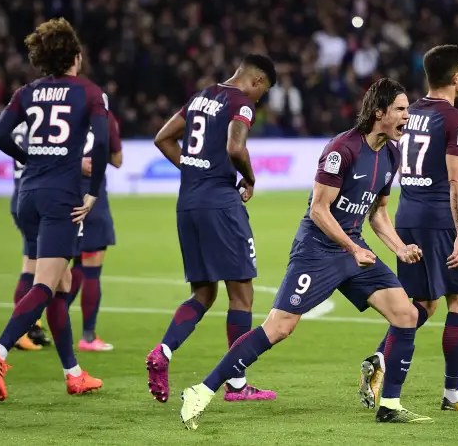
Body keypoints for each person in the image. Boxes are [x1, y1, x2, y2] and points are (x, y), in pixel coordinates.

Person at [179, 78, 435, 431]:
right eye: (402, 110)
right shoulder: (341, 150)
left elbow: (377, 212)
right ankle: (201, 390)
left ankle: (389, 404)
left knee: (406, 314)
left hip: (354, 249)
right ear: (380, 113)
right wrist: (352, 247)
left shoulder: (391, 154)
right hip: (317, 250)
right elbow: (319, 210)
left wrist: (399, 247)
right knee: (280, 327)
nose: (409, 116)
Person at [358, 45, 458, 412]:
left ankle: (379, 359)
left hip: (407, 215)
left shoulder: (409, 113)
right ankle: (454, 394)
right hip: (439, 221)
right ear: (456, 76)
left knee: (423, 304)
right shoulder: (456, 120)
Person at [0, 17, 108, 401]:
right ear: (76, 57)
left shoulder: (27, 92)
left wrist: (31, 158)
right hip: (59, 198)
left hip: (27, 197)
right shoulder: (89, 93)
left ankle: (73, 374)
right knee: (46, 284)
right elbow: (100, 145)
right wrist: (94, 191)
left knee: (61, 285)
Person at [147, 54, 277, 403]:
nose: (257, 101)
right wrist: (249, 178)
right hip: (220, 205)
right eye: (261, 94)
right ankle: (236, 385)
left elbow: (163, 138)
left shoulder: (201, 96)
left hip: (188, 203)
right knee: (242, 294)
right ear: (258, 82)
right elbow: (236, 147)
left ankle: (164, 351)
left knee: (203, 294)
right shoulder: (242, 103)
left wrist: (195, 170)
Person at [66, 112, 123, 352]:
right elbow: (118, 160)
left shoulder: (65, 113)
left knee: (74, 264)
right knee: (91, 267)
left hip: (63, 194)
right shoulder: (105, 118)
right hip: (92, 197)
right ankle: (88, 337)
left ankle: (34, 321)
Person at [9, 121, 50, 350]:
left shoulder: (18, 125)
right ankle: (21, 331)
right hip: (34, 196)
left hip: (20, 194)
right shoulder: (41, 123)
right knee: (33, 268)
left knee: (33, 266)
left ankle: (32, 325)